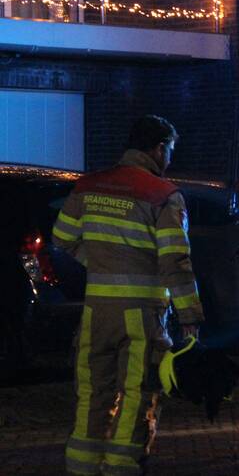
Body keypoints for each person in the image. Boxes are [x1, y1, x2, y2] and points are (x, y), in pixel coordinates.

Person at [53, 115, 203, 476]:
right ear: (159, 148)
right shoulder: (163, 195)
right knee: (138, 392)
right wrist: (190, 317)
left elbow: (62, 238)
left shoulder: (87, 186)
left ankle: (82, 466)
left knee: (93, 392)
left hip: (96, 313)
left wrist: (100, 263)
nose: (169, 159)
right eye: (170, 151)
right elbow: (175, 262)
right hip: (141, 315)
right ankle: (121, 466)